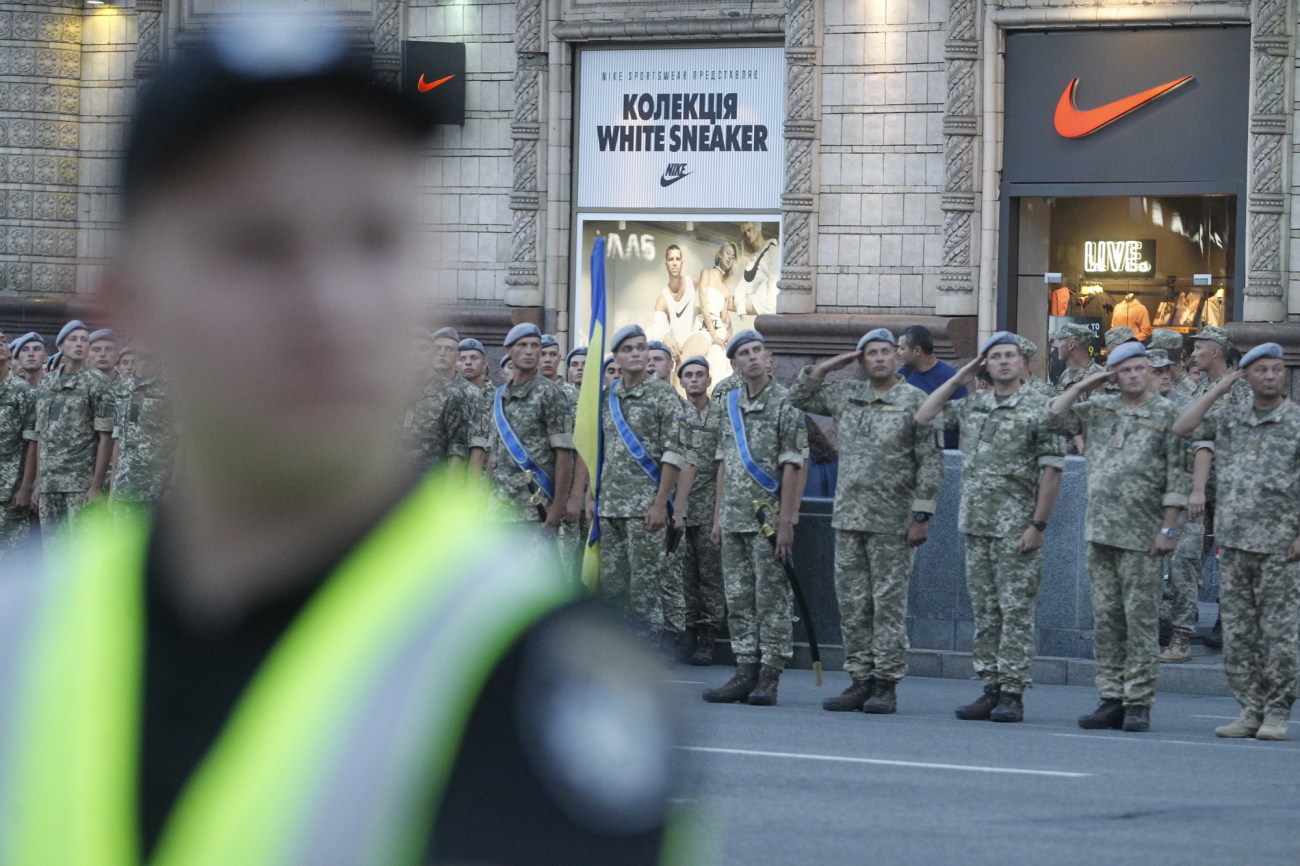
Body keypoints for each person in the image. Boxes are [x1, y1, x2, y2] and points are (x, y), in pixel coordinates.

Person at [0, 26, 676, 865]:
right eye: (257, 246)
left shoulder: (531, 659)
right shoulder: (25, 622)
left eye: (376, 239)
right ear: (123, 302)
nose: (331, 301)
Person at [790, 328, 943, 715]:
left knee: (887, 606)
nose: (877, 359)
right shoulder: (846, 395)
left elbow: (930, 462)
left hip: (894, 522)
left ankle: (885, 684)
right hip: (849, 518)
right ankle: (859, 679)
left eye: (884, 352)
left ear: (896, 357)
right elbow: (798, 396)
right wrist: (837, 362)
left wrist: (921, 515)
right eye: (869, 353)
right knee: (853, 604)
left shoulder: (914, 400)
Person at [915, 332, 1064, 723]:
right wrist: (960, 375)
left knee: (1015, 611)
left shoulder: (1041, 406)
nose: (1002, 362)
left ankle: (1013, 692)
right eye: (994, 357)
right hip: (977, 526)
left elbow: (1052, 471)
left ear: (1021, 363)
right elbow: (924, 415)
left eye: (1009, 356)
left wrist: (1038, 524)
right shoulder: (974, 404)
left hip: (1017, 528)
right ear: (986, 365)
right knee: (985, 611)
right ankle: (990, 688)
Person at [1046, 342, 1189, 733]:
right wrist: (1087, 384)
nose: (1132, 375)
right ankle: (1111, 697)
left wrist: (1168, 528)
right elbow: (1054, 416)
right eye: (1123, 369)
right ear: (1113, 373)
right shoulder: (1098, 410)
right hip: (1101, 532)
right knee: (1107, 621)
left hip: (1143, 536)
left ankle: (1139, 701)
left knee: (1140, 622)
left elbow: (1178, 476)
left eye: (1139, 368)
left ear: (1148, 371)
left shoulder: (1166, 414)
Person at [1173, 343, 1300, 741]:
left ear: (1284, 376)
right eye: (1260, 370)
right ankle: (1249, 710)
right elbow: (1182, 427)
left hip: (1282, 546)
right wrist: (1220, 387)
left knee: (1279, 634)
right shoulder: (1229, 419)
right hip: (1235, 544)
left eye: (1276, 370)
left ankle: (1277, 712)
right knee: (1240, 635)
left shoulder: (1296, 422)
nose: (1269, 376)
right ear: (1246, 375)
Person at [702, 332, 806, 705]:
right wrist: (717, 519)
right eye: (744, 354)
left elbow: (795, 465)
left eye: (757, 351)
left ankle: (770, 675)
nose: (752, 358)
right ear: (735, 364)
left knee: (771, 600)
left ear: (769, 356)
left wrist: (787, 522)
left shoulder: (787, 403)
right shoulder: (729, 403)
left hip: (768, 522)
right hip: (733, 519)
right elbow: (724, 465)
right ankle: (744, 670)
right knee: (740, 599)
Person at [595, 324, 685, 645]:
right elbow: (595, 452)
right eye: (628, 349)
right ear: (616, 357)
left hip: (646, 508)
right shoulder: (607, 398)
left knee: (644, 586)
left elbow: (674, 453)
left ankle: (650, 648)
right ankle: (621, 650)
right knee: (615, 586)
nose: (636, 354)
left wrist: (661, 503)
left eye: (641, 347)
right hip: (610, 508)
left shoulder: (663, 395)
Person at [1186, 325, 1254, 650]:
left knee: (1229, 559)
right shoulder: (1202, 389)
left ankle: (1228, 624)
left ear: (1215, 351)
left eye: (1199, 348)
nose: (1193, 354)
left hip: (1229, 488)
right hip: (1201, 487)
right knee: (1188, 554)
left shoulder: (1240, 389)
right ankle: (1179, 621)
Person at [1147, 349, 1209, 664]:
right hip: (1146, 503)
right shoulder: (1137, 409)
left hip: (1185, 502)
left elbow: (1203, 448)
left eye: (1166, 370)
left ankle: (1181, 638)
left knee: (1184, 569)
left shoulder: (1187, 405)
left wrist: (1198, 491)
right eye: (1155, 371)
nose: (1163, 376)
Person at [482, 324, 573, 532]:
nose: (530, 351)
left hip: (535, 509)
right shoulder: (499, 397)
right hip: (499, 510)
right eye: (522, 345)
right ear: (509, 351)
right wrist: (485, 502)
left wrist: (557, 507)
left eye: (535, 345)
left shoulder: (549, 393)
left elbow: (564, 454)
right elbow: (493, 456)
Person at [32, 319, 117, 533]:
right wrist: (38, 481)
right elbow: (42, 434)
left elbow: (106, 438)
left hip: (80, 484)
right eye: (73, 339)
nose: (80, 344)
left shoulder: (98, 382)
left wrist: (96, 486)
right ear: (60, 346)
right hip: (50, 483)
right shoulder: (46, 383)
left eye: (84, 340)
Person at [672, 355, 725, 666]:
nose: (694, 379)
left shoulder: (721, 415)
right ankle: (687, 632)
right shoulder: (674, 412)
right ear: (681, 381)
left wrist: (719, 513)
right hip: (680, 503)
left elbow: (723, 465)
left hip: (709, 504)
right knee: (682, 575)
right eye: (688, 375)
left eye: (699, 374)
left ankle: (708, 635)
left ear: (709, 379)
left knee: (710, 576)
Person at [109, 346, 178, 522]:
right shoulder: (122, 386)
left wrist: (173, 487)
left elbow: (184, 441)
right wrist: (112, 491)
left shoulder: (171, 387)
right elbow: (118, 439)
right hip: (123, 490)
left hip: (156, 492)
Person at [402, 328, 471, 475]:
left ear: (433, 353)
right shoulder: (393, 392)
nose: (416, 355)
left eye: (423, 349)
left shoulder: (451, 394)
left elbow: (457, 452)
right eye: (411, 350)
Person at [897, 324, 966, 450]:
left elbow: (964, 424)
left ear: (917, 350)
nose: (898, 353)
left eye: (902, 348)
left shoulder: (951, 379)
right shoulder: (903, 374)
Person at [0, 336, 36, 553]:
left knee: (12, 564)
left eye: (3, 341)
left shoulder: (22, 391)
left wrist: (25, 488)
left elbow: (33, 442)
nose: (0, 345)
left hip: (10, 493)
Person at [653, 245, 709, 361]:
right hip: (679, 356)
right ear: (666, 264)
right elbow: (656, 328)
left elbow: (714, 305)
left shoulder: (694, 283)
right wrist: (665, 336)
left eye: (677, 259)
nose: (674, 263)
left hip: (699, 346)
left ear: (682, 263)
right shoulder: (662, 299)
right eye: (671, 259)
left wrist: (727, 327)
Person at [733, 223, 779, 316]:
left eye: (749, 230)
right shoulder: (754, 260)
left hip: (772, 304)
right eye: (745, 233)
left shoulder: (772, 246)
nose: (748, 235)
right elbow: (741, 287)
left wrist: (769, 311)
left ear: (757, 228)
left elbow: (774, 280)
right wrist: (740, 308)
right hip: (763, 304)